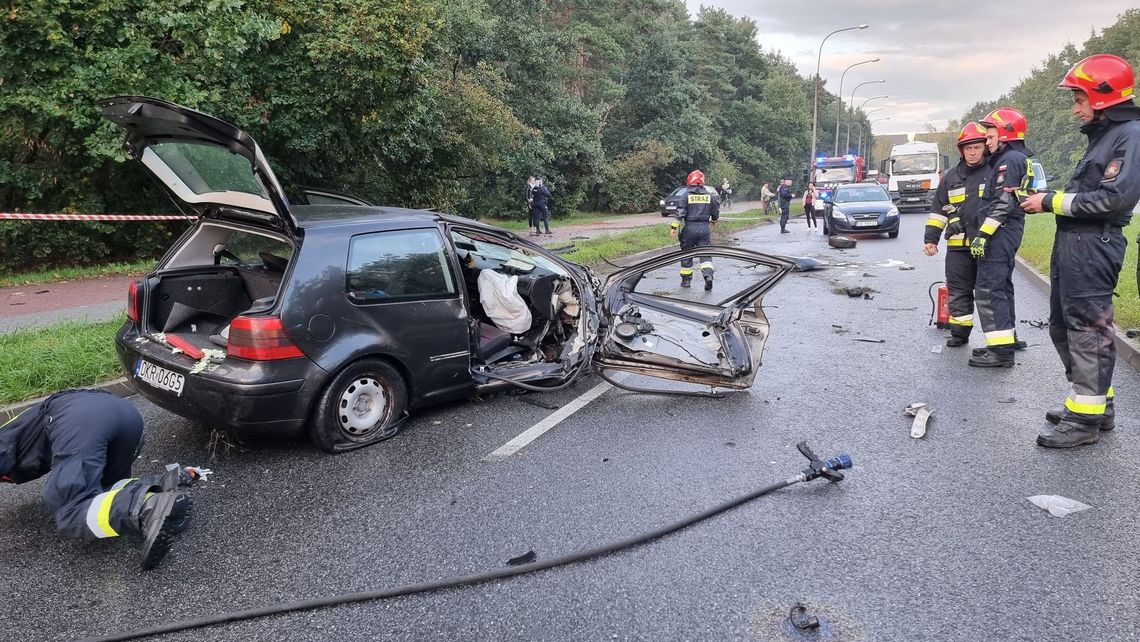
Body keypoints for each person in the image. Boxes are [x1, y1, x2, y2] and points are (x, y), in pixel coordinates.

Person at [1021, 54, 1140, 448]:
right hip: (1076, 244)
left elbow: (1115, 199)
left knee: (1088, 331)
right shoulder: (1107, 138)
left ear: (1103, 97)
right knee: (1063, 326)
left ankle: (1084, 423)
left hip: (1094, 244)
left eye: (1079, 100)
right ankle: (1093, 404)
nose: (1074, 110)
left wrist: (1051, 201)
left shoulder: (1130, 136)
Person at [0, 389, 204, 570]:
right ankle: (165, 483)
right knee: (107, 492)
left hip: (78, 421)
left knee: (67, 506)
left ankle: (149, 506)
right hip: (124, 414)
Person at [967, 106, 1034, 367]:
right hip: (1007, 230)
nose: (987, 141)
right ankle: (1007, 338)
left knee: (989, 288)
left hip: (1000, 232)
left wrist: (983, 234)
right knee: (1002, 286)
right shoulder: (1014, 159)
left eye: (991, 136)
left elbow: (1004, 201)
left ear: (1006, 134)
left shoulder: (1009, 160)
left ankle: (1000, 351)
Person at [923, 122, 989, 347]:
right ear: (961, 150)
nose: (972, 152)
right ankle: (959, 334)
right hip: (958, 247)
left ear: (985, 148)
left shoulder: (994, 172)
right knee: (958, 290)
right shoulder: (951, 177)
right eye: (968, 148)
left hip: (988, 245)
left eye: (977, 147)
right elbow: (938, 210)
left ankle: (1001, 340)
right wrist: (931, 240)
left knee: (991, 292)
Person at [669, 169, 720, 290]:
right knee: (705, 255)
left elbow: (680, 212)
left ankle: (686, 281)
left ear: (689, 181)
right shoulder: (709, 196)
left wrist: (673, 227)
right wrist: (714, 220)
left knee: (687, 254)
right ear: (702, 182)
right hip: (704, 229)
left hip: (689, 228)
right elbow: (715, 212)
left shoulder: (686, 196)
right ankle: (708, 276)